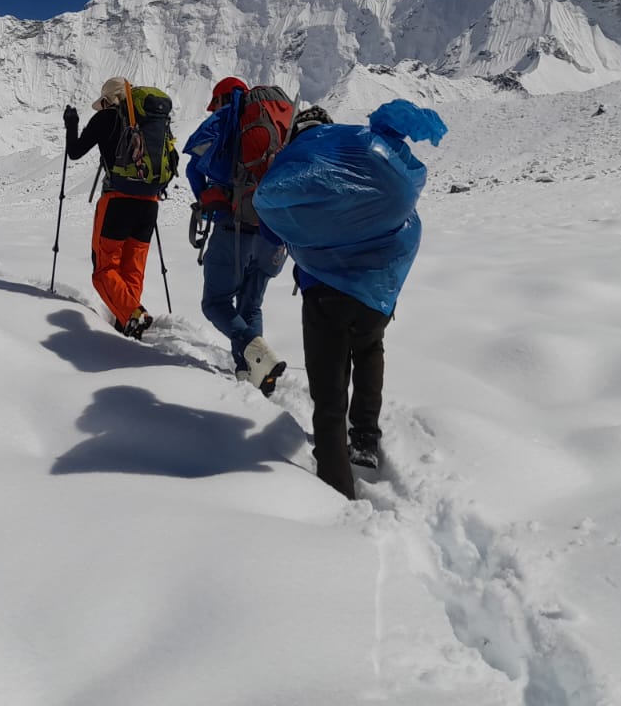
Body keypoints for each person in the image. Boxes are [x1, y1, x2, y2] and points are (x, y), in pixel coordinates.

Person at [254, 100, 447, 500]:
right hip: (376, 293)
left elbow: (272, 224)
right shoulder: (363, 158)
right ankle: (364, 440)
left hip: (323, 294)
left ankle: (336, 488)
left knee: (328, 391)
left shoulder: (301, 167)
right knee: (369, 353)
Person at [182, 76, 290, 395]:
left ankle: (256, 354)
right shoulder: (278, 121)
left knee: (215, 302)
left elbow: (192, 167)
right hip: (275, 232)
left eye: (215, 102)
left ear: (223, 99)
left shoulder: (225, 119)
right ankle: (250, 374)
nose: (213, 108)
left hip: (236, 228)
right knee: (250, 305)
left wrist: (207, 199)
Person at [63, 77, 175, 339]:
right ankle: (127, 323)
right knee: (132, 267)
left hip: (117, 202)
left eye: (102, 103)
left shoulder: (106, 118)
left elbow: (75, 151)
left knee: (103, 270)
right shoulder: (150, 123)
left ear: (108, 100)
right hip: (149, 203)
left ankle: (133, 314)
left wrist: (72, 123)